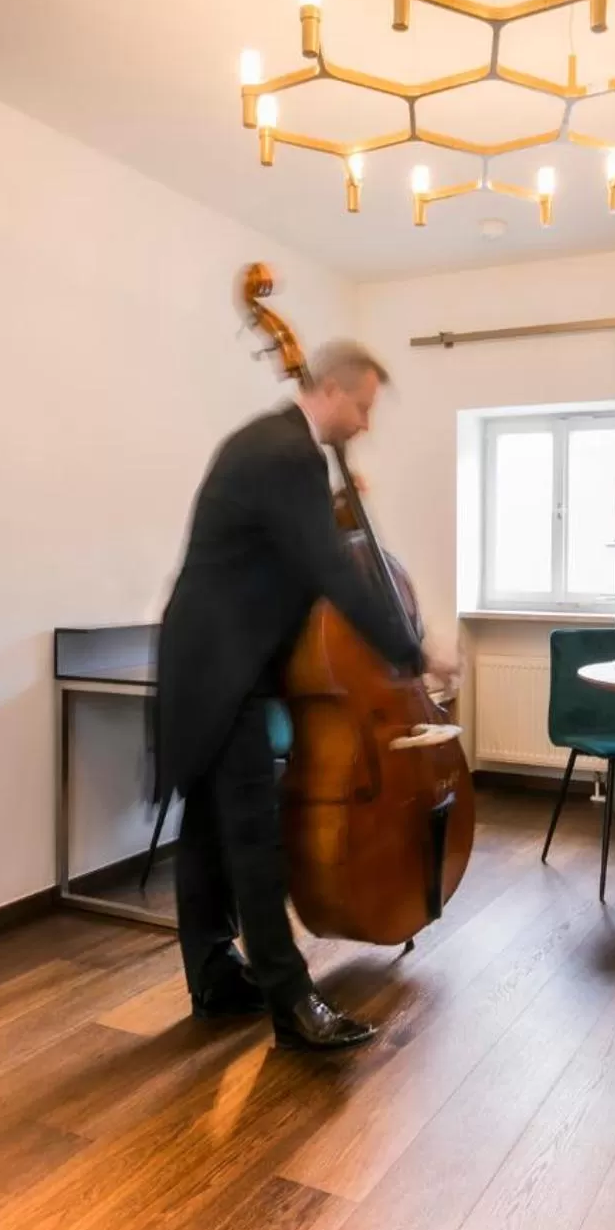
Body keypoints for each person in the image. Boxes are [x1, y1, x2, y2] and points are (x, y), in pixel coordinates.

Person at [154, 339, 457, 1051]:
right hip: (222, 666)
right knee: (254, 833)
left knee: (205, 828)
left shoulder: (267, 445)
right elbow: (338, 578)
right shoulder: (289, 454)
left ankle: (215, 979)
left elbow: (292, 556)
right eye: (363, 406)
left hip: (205, 659)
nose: (365, 424)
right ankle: (292, 1005)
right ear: (330, 390)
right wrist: (416, 655)